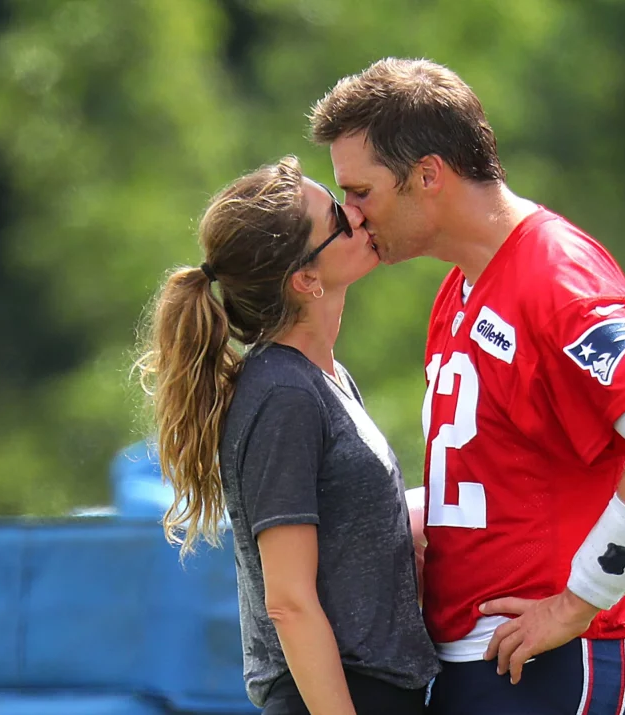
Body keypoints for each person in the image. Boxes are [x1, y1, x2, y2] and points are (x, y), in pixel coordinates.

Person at [309, 59, 625, 715]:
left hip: (552, 660)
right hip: (475, 660)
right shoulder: (458, 287)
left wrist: (581, 598)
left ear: (428, 175)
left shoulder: (555, 275)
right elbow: (496, 470)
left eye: (360, 192)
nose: (351, 217)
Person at [135, 156, 439, 715]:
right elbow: (290, 604)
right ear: (306, 279)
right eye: (338, 222)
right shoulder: (284, 394)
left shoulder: (325, 380)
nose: (358, 213)